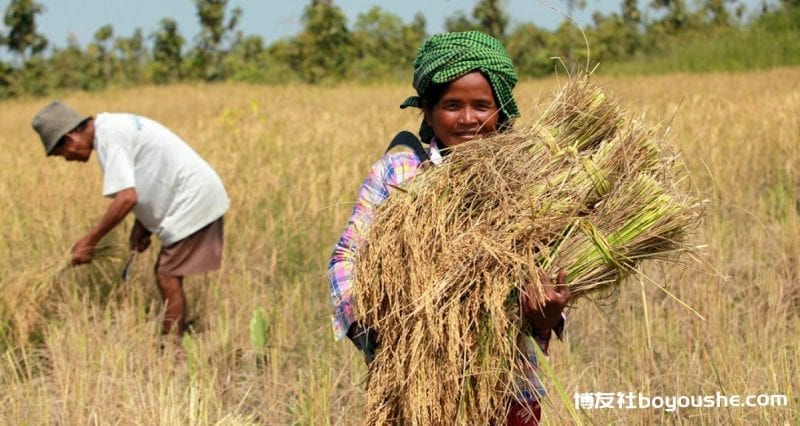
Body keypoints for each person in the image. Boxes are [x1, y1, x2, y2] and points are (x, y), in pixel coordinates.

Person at [327, 31, 569, 425]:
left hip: (507, 390)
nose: (469, 119)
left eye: (482, 106)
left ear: (502, 109)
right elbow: (345, 259)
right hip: (411, 388)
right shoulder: (398, 173)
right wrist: (380, 333)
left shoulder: (531, 184)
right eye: (452, 105)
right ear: (427, 110)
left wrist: (544, 311)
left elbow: (550, 282)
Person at [31, 102, 230, 337]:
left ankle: (172, 349)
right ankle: (175, 338)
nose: (66, 159)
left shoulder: (109, 138)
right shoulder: (111, 127)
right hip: (195, 194)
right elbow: (148, 174)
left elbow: (126, 198)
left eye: (61, 153)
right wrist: (142, 226)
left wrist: (89, 241)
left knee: (166, 275)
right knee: (167, 273)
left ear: (69, 138)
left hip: (192, 199)